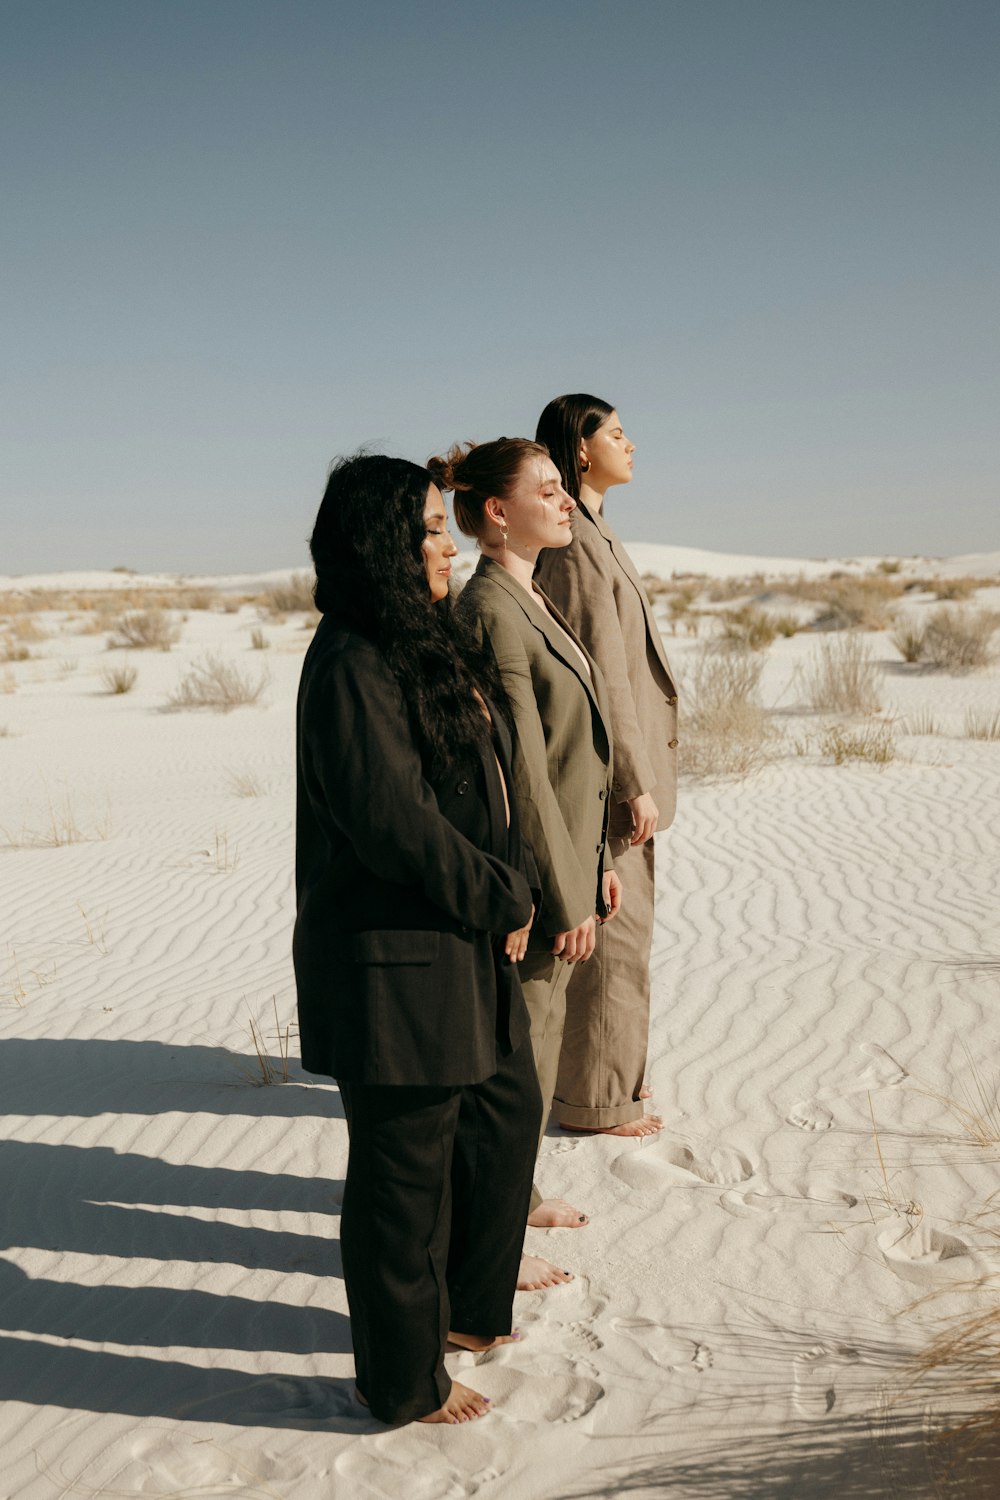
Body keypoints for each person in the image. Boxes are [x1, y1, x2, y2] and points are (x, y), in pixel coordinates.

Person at [293, 453, 543, 1426]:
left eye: (443, 529)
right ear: (381, 549)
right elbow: (390, 820)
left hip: (451, 943)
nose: (446, 547)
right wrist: (499, 896)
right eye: (431, 532)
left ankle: (459, 1320)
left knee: (470, 1136)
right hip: (393, 961)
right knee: (401, 1182)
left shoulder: (410, 645)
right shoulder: (352, 658)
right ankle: (400, 1382)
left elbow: (478, 785)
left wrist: (510, 882)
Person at [431, 438, 622, 1289]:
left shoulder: (528, 595)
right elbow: (521, 769)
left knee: (538, 1048)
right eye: (548, 490)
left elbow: (575, 755)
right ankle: (492, 1238)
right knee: (521, 1059)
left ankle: (521, 1190)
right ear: (498, 513)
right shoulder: (490, 609)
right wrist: (560, 891)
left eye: (563, 487)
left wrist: (599, 857)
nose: (566, 501)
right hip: (534, 879)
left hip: (571, 862)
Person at [533, 395, 679, 1137]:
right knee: (618, 939)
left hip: (621, 771)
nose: (631, 444)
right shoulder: (581, 543)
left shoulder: (592, 529)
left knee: (615, 931)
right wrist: (633, 779)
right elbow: (604, 674)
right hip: (615, 779)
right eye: (617, 433)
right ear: (581, 450)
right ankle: (599, 1103)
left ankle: (596, 1089)